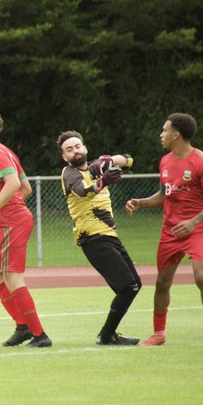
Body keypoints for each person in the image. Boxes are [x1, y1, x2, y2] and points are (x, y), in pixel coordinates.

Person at [125, 112, 203, 348]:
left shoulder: (202, 161)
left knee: (202, 278)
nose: (161, 135)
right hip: (170, 232)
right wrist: (141, 202)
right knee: (162, 283)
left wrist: (193, 222)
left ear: (176, 134)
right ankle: (159, 334)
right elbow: (164, 194)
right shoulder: (165, 161)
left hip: (197, 230)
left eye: (164, 130)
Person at [0, 107, 51, 348]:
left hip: (11, 222)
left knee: (13, 278)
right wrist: (1, 213)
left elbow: (14, 183)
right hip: (6, 222)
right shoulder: (3, 152)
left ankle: (40, 335)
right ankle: (22, 326)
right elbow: (25, 189)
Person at [56, 131, 142, 345]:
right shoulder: (69, 172)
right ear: (64, 157)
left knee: (135, 285)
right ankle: (106, 336)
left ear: (84, 148)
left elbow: (129, 160)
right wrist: (103, 181)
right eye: (69, 149)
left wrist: (109, 160)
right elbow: (82, 191)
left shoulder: (97, 166)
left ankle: (107, 335)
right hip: (92, 237)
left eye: (77, 146)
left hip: (109, 235)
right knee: (128, 286)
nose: (75, 151)